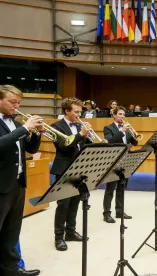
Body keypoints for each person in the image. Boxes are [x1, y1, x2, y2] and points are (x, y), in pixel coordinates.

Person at [0, 85, 42, 276]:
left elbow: (31, 150)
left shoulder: (16, 125)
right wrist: (25, 128)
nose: (16, 106)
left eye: (19, 103)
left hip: (17, 183)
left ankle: (11, 269)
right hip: (1, 185)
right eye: (12, 102)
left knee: (11, 230)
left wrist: (37, 133)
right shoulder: (19, 127)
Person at [50, 97, 92, 251]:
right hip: (63, 169)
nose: (79, 115)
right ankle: (59, 237)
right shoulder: (56, 126)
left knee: (75, 202)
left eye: (80, 112)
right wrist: (81, 134)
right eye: (76, 112)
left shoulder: (78, 125)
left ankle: (71, 232)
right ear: (66, 111)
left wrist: (87, 138)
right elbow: (63, 147)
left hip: (79, 169)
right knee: (63, 205)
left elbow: (83, 147)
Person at [102, 106, 138, 223]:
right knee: (110, 188)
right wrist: (122, 131)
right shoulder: (108, 128)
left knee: (122, 187)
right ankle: (106, 213)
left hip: (125, 160)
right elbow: (110, 141)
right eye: (120, 114)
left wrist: (133, 136)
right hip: (113, 160)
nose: (122, 116)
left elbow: (133, 143)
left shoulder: (127, 128)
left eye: (123, 114)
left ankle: (120, 211)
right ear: (114, 115)